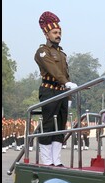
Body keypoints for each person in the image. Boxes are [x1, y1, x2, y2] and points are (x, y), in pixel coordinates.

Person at [34, 11, 77, 166]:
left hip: (62, 92)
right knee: (48, 125)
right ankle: (46, 161)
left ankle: (56, 161)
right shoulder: (42, 52)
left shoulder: (62, 54)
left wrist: (69, 95)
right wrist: (66, 83)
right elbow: (54, 70)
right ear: (47, 34)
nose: (58, 35)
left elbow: (65, 74)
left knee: (61, 125)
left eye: (59, 32)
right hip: (49, 90)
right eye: (55, 32)